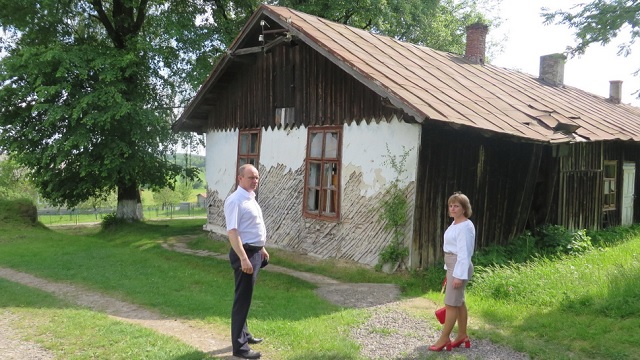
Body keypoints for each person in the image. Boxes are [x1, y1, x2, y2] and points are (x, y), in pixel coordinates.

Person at [224, 164, 270, 359]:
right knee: (242, 300)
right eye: (251, 177)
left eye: (257, 177)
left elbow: (251, 228)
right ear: (240, 178)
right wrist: (244, 257)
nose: (255, 180)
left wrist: (262, 249)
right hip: (245, 254)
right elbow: (233, 232)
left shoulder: (250, 198)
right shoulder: (235, 200)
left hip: (255, 252)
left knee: (246, 297)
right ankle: (240, 348)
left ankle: (245, 335)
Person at [429, 192, 475, 352]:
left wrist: (458, 275)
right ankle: (462, 335)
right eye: (451, 205)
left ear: (464, 208)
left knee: (450, 304)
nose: (453, 208)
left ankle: (444, 338)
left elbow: (464, 253)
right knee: (459, 302)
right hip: (452, 266)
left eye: (456, 206)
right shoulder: (455, 224)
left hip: (459, 266)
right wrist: (449, 272)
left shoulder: (465, 226)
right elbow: (450, 250)